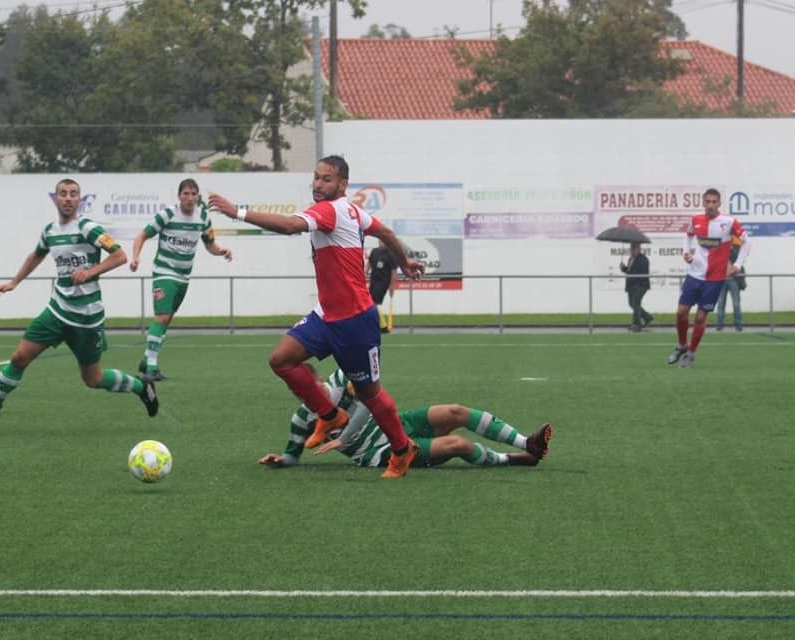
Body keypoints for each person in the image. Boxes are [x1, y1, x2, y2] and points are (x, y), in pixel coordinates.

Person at [207, 155, 426, 479]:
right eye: (316, 177)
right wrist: (404, 261)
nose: (318, 184)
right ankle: (330, 415)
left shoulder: (331, 210)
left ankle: (402, 449)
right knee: (281, 359)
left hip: (354, 320)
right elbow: (386, 232)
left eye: (326, 179)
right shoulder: (352, 211)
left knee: (370, 393)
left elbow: (289, 226)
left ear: (342, 185)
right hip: (327, 315)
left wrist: (236, 211)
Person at [0, 178, 158, 425]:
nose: (67, 198)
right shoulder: (50, 231)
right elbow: (36, 255)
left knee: (92, 379)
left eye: (73, 194)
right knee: (19, 357)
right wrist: (14, 282)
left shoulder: (88, 227)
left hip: (86, 317)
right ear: (55, 198)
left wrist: (90, 272)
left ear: (79, 200)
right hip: (57, 310)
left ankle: (141, 387)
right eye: (63, 193)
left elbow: (119, 256)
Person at [258, 366, 552, 470]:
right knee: (457, 445)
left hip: (397, 423)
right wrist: (281, 460)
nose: (306, 394)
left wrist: (343, 439)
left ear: (319, 379)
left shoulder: (341, 379)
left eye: (310, 386)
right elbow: (293, 454)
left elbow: (369, 404)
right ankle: (511, 459)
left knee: (455, 411)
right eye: (297, 390)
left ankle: (529, 443)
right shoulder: (301, 420)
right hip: (381, 453)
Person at [129, 178, 232, 379]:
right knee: (163, 317)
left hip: (184, 278)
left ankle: (146, 359)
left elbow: (210, 244)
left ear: (198, 197)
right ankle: (151, 368)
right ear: (179, 196)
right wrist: (135, 257)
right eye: (186, 193)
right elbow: (142, 235)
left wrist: (222, 251)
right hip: (164, 272)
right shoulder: (167, 214)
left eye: (194, 194)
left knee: (166, 320)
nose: (190, 197)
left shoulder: (203, 217)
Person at [667, 188, 751, 368]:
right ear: (703, 202)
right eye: (708, 201)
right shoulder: (696, 219)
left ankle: (691, 353)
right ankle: (682, 345)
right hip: (694, 274)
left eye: (714, 202)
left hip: (715, 279)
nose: (711, 205)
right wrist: (686, 252)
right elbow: (688, 235)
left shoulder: (729, 222)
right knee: (681, 312)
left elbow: (747, 241)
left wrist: (737, 264)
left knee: (699, 318)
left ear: (719, 204)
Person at [619, 242, 653, 332]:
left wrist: (630, 273)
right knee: (632, 304)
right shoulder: (630, 259)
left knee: (636, 303)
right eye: (631, 248)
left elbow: (642, 273)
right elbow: (630, 271)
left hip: (641, 286)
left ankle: (636, 325)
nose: (632, 250)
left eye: (634, 248)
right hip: (631, 286)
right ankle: (647, 317)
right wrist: (624, 269)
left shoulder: (644, 260)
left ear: (639, 249)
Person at [367, 241, 398, 333]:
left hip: (383, 282)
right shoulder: (374, 251)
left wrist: (392, 286)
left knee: (373, 303)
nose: (382, 243)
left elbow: (394, 272)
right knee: (370, 303)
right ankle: (381, 325)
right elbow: (369, 263)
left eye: (383, 242)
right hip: (373, 280)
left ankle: (383, 326)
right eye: (380, 241)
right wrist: (364, 273)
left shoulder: (391, 254)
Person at [715, 237, 745, 332]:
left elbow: (738, 260)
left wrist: (731, 249)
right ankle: (719, 325)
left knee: (736, 303)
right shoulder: (719, 248)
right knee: (720, 303)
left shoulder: (736, 248)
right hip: (721, 279)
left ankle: (738, 325)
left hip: (734, 279)